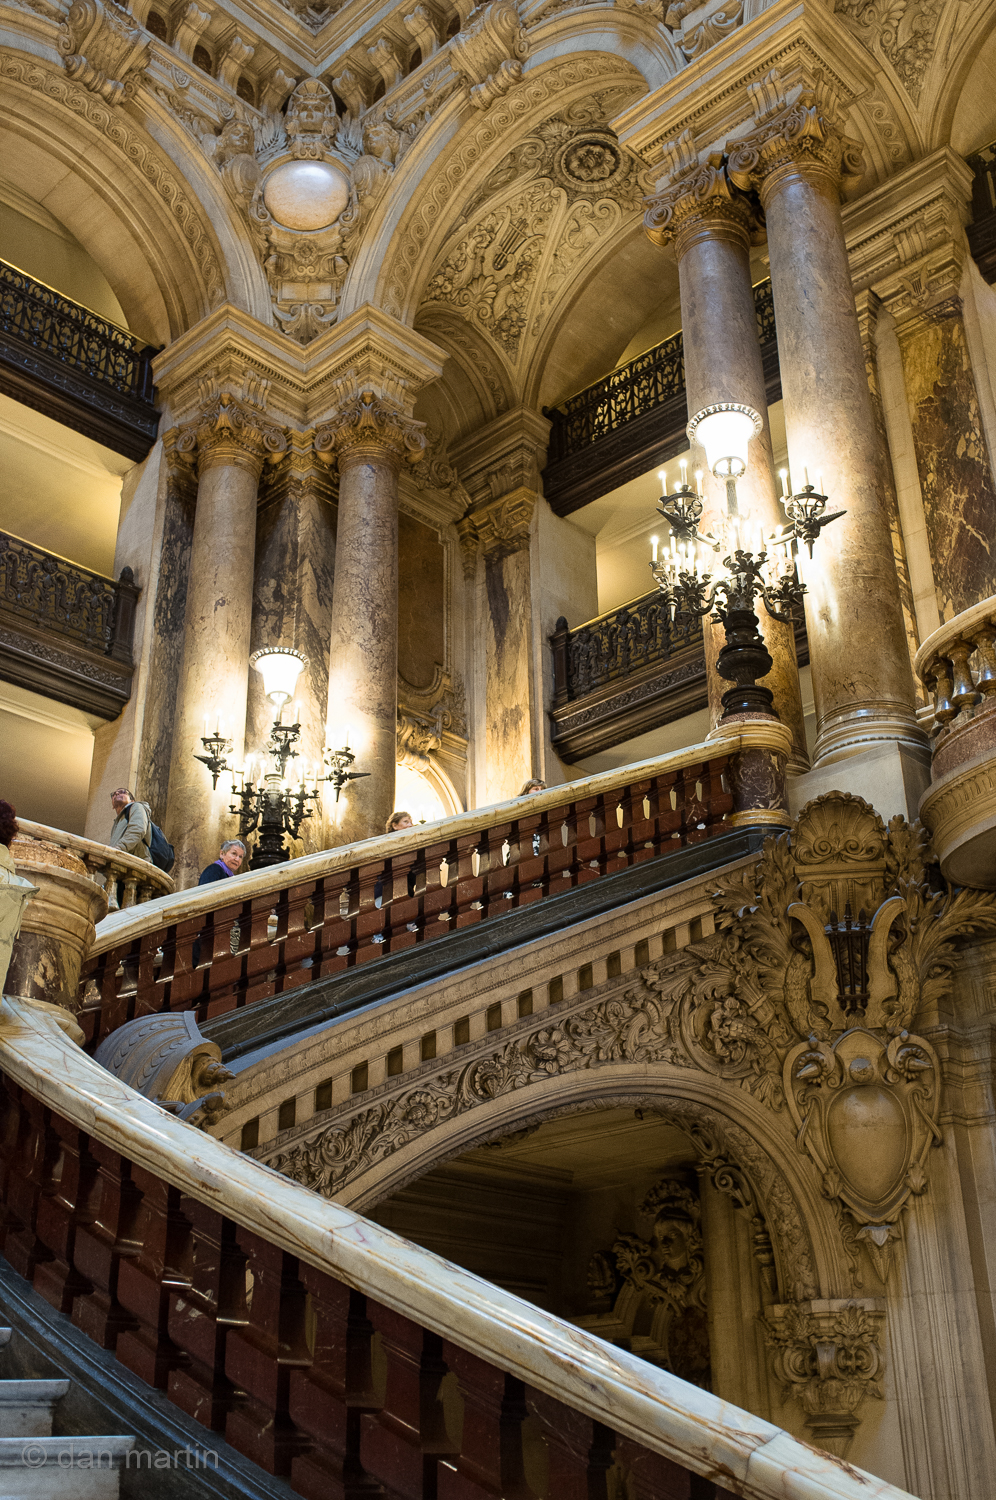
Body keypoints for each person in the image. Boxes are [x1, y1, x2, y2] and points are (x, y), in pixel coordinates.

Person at [108, 787, 152, 862]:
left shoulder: (136, 806)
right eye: (114, 794)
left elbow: (138, 829)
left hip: (137, 862)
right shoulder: (117, 823)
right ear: (112, 805)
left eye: (123, 792)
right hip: (123, 862)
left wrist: (119, 848)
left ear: (132, 800)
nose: (117, 793)